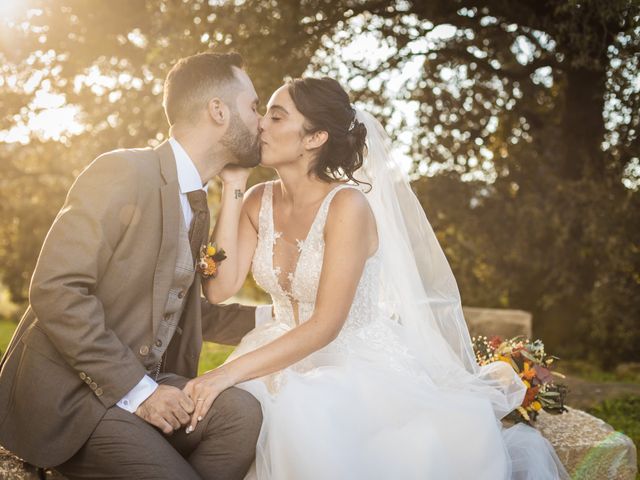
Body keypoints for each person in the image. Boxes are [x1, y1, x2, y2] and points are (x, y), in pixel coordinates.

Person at [184, 76, 570, 479]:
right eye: (264, 114)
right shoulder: (257, 200)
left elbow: (326, 326)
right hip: (276, 347)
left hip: (351, 360)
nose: (261, 123)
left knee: (303, 420)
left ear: (314, 137)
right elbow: (220, 287)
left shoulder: (347, 205)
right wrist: (232, 186)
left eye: (277, 117)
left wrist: (226, 372)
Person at [0, 51, 270, 480]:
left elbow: (182, 308)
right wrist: (141, 393)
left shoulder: (197, 204)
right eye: (254, 106)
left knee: (241, 414)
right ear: (218, 111)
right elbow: (57, 289)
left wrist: (282, 318)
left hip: (144, 384)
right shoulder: (121, 171)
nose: (261, 120)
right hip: (73, 394)